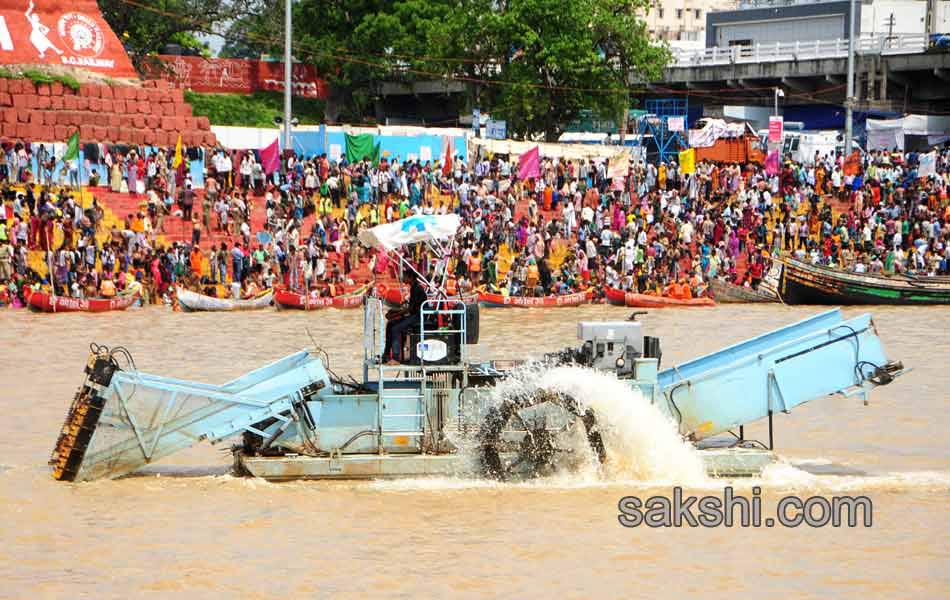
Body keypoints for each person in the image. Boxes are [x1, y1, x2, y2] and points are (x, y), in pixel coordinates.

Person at [386, 272, 427, 364]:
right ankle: (387, 354)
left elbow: (410, 309)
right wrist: (396, 313)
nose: (403, 278)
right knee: (391, 324)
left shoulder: (417, 289)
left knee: (396, 329)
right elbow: (409, 308)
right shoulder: (413, 288)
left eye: (405, 276)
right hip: (414, 315)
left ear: (410, 277)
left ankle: (396, 358)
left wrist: (396, 314)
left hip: (418, 317)